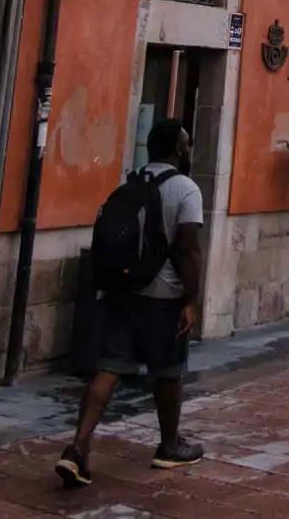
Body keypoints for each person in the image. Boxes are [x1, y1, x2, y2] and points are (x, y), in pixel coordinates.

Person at [56, 119, 204, 489]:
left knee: (108, 368)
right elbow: (188, 248)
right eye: (185, 143)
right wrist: (191, 299)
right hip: (163, 296)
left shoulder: (131, 183)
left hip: (123, 290)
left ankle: (77, 448)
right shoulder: (186, 189)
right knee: (168, 371)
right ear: (175, 150)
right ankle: (169, 445)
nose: (188, 149)